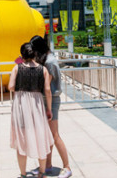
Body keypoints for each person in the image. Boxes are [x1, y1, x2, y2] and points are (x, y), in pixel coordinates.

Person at [9, 42, 54, 178]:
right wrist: (49, 109)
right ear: (34, 53)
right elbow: (47, 90)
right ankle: (42, 172)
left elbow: (11, 86)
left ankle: (23, 174)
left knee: (21, 139)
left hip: (21, 105)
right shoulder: (43, 69)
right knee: (40, 135)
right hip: (37, 104)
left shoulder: (17, 68)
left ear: (22, 54)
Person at [30, 35, 72, 178]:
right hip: (44, 99)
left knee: (54, 135)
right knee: (46, 135)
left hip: (51, 100)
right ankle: (46, 166)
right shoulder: (45, 60)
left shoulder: (50, 62)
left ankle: (67, 166)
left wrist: (48, 108)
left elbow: (47, 87)